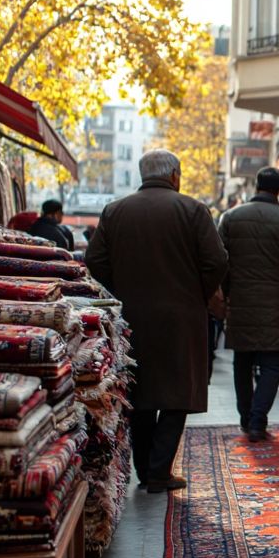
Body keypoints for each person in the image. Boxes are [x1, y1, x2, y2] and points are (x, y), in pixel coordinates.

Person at [86, 150, 228, 492]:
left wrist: (119, 293)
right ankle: (159, 470)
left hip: (131, 316)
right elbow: (216, 261)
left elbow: (94, 260)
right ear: (175, 175)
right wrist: (199, 293)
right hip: (182, 316)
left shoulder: (115, 211)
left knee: (141, 391)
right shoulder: (193, 210)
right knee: (178, 392)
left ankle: (146, 469)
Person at [218, 167, 279, 442]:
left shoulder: (231, 218)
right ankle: (258, 420)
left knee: (243, 361)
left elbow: (219, 259)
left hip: (241, 300)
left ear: (256, 185)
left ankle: (245, 417)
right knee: (272, 363)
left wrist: (228, 289)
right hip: (276, 302)